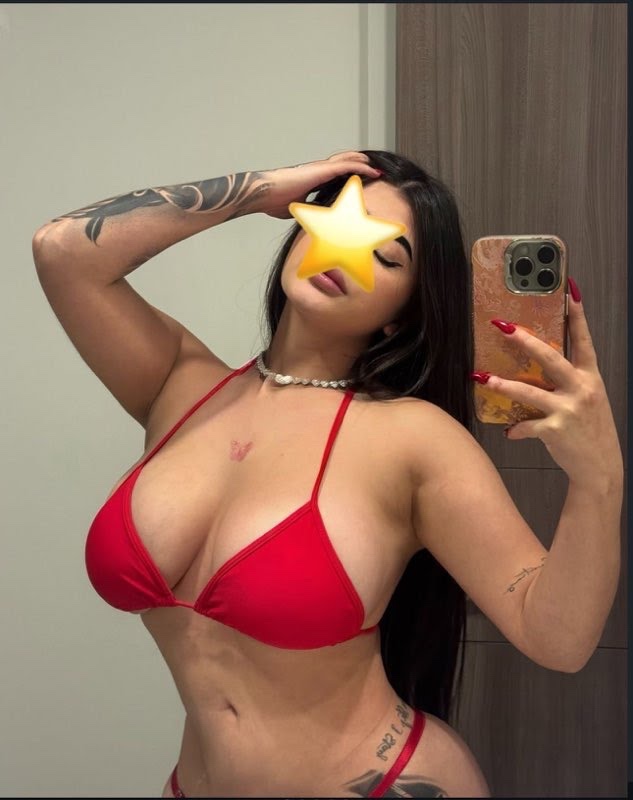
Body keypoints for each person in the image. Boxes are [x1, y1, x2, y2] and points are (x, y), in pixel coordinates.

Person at [32, 150, 623, 798]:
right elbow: (64, 251)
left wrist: (598, 477)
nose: (346, 251)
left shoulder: (411, 439)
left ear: (403, 311)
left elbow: (555, 637)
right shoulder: (178, 385)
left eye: (386, 255)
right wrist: (263, 189)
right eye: (338, 220)